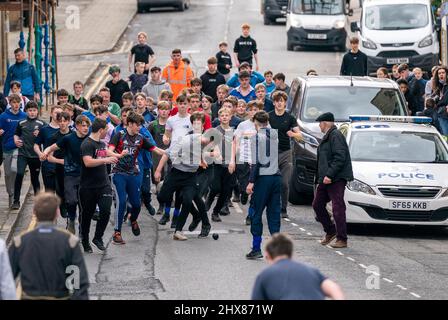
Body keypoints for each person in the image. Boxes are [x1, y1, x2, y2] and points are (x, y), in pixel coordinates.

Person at [8, 192, 89, 300]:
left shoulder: (20, 242)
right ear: (57, 212)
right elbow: (78, 283)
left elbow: (6, 280)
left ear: (34, 212)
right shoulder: (70, 242)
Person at [108, 112, 164, 244]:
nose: (140, 127)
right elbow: (108, 151)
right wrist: (119, 155)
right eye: (138, 125)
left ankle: (133, 219)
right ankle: (117, 232)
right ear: (130, 124)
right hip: (119, 173)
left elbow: (156, 149)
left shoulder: (141, 138)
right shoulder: (119, 135)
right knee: (121, 201)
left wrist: (170, 153)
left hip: (133, 174)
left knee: (137, 205)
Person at [155, 112, 212, 240]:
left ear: (203, 125)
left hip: (194, 175)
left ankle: (179, 230)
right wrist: (158, 170)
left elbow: (212, 148)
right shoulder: (185, 138)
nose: (197, 126)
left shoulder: (206, 138)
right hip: (177, 173)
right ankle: (197, 216)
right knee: (163, 197)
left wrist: (205, 157)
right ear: (192, 125)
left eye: (200, 123)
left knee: (189, 199)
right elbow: (169, 153)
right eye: (195, 123)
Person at [251, 233, 345, 300]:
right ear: (291, 254)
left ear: (268, 255)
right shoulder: (311, 271)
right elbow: (333, 288)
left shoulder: (265, 275)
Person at [43, 115, 92, 234]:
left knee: (84, 206)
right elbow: (52, 147)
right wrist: (45, 153)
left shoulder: (90, 140)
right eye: (83, 126)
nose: (86, 128)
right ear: (77, 126)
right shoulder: (68, 138)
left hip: (86, 176)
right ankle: (71, 219)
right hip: (70, 174)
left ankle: (82, 230)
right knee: (71, 201)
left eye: (87, 126)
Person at [313, 112, 353, 249]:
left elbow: (340, 157)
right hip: (325, 178)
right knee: (317, 205)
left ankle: (342, 238)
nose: (319, 126)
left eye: (320, 123)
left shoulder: (336, 136)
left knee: (338, 208)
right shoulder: (329, 136)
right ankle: (331, 231)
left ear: (325, 123)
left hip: (335, 178)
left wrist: (329, 175)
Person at [245, 111, 281, 259]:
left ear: (255, 123)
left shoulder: (255, 138)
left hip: (263, 179)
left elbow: (256, 162)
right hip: (276, 177)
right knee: (274, 214)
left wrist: (251, 182)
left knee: (255, 213)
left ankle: (256, 249)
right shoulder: (274, 135)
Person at [79, 118, 119, 253]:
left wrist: (119, 155)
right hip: (88, 187)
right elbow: (88, 162)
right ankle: (85, 240)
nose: (107, 134)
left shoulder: (101, 143)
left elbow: (105, 152)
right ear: (101, 130)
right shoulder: (87, 144)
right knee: (87, 215)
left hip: (104, 185)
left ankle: (98, 237)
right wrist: (106, 160)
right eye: (106, 131)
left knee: (106, 210)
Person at [268, 91, 302, 219]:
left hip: (286, 153)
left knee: (284, 183)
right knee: (271, 182)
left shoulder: (290, 118)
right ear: (274, 103)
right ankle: (271, 206)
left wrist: (292, 134)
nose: (279, 103)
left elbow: (300, 136)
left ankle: (283, 208)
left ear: (285, 103)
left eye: (281, 101)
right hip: (271, 153)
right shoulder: (268, 116)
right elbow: (260, 131)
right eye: (277, 101)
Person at [12, 101, 45, 209]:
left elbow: (46, 138)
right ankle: (16, 201)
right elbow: (16, 134)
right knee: (20, 174)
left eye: (34, 110)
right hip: (23, 154)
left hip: (35, 156)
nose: (32, 113)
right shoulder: (21, 122)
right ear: (26, 111)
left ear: (37, 111)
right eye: (30, 110)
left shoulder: (42, 124)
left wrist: (40, 134)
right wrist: (16, 140)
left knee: (35, 179)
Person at [206, 107, 235, 222]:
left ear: (230, 117)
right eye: (222, 115)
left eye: (227, 115)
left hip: (229, 165)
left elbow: (234, 146)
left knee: (226, 191)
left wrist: (232, 161)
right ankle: (209, 199)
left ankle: (215, 212)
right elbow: (210, 145)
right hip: (216, 164)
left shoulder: (233, 131)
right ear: (219, 118)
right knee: (216, 187)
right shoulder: (214, 130)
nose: (224, 117)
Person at [0, 94, 27, 208]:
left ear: (20, 103)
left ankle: (15, 195)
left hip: (19, 148)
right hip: (7, 148)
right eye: (14, 102)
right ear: (10, 103)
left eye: (18, 102)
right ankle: (10, 194)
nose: (16, 105)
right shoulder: (3, 116)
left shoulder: (24, 115)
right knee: (7, 174)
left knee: (15, 170)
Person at [147, 101, 171, 215]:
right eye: (162, 109)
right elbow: (147, 140)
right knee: (158, 182)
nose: (164, 111)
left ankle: (166, 204)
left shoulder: (172, 124)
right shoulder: (153, 125)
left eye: (166, 109)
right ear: (158, 111)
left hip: (170, 156)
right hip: (156, 156)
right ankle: (161, 204)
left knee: (168, 181)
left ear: (169, 110)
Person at [34, 105, 63, 192]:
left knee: (61, 193)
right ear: (51, 114)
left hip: (62, 165)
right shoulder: (44, 129)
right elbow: (36, 144)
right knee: (49, 192)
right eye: (56, 113)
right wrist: (40, 154)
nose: (58, 115)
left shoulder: (67, 130)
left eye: (60, 113)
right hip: (48, 165)